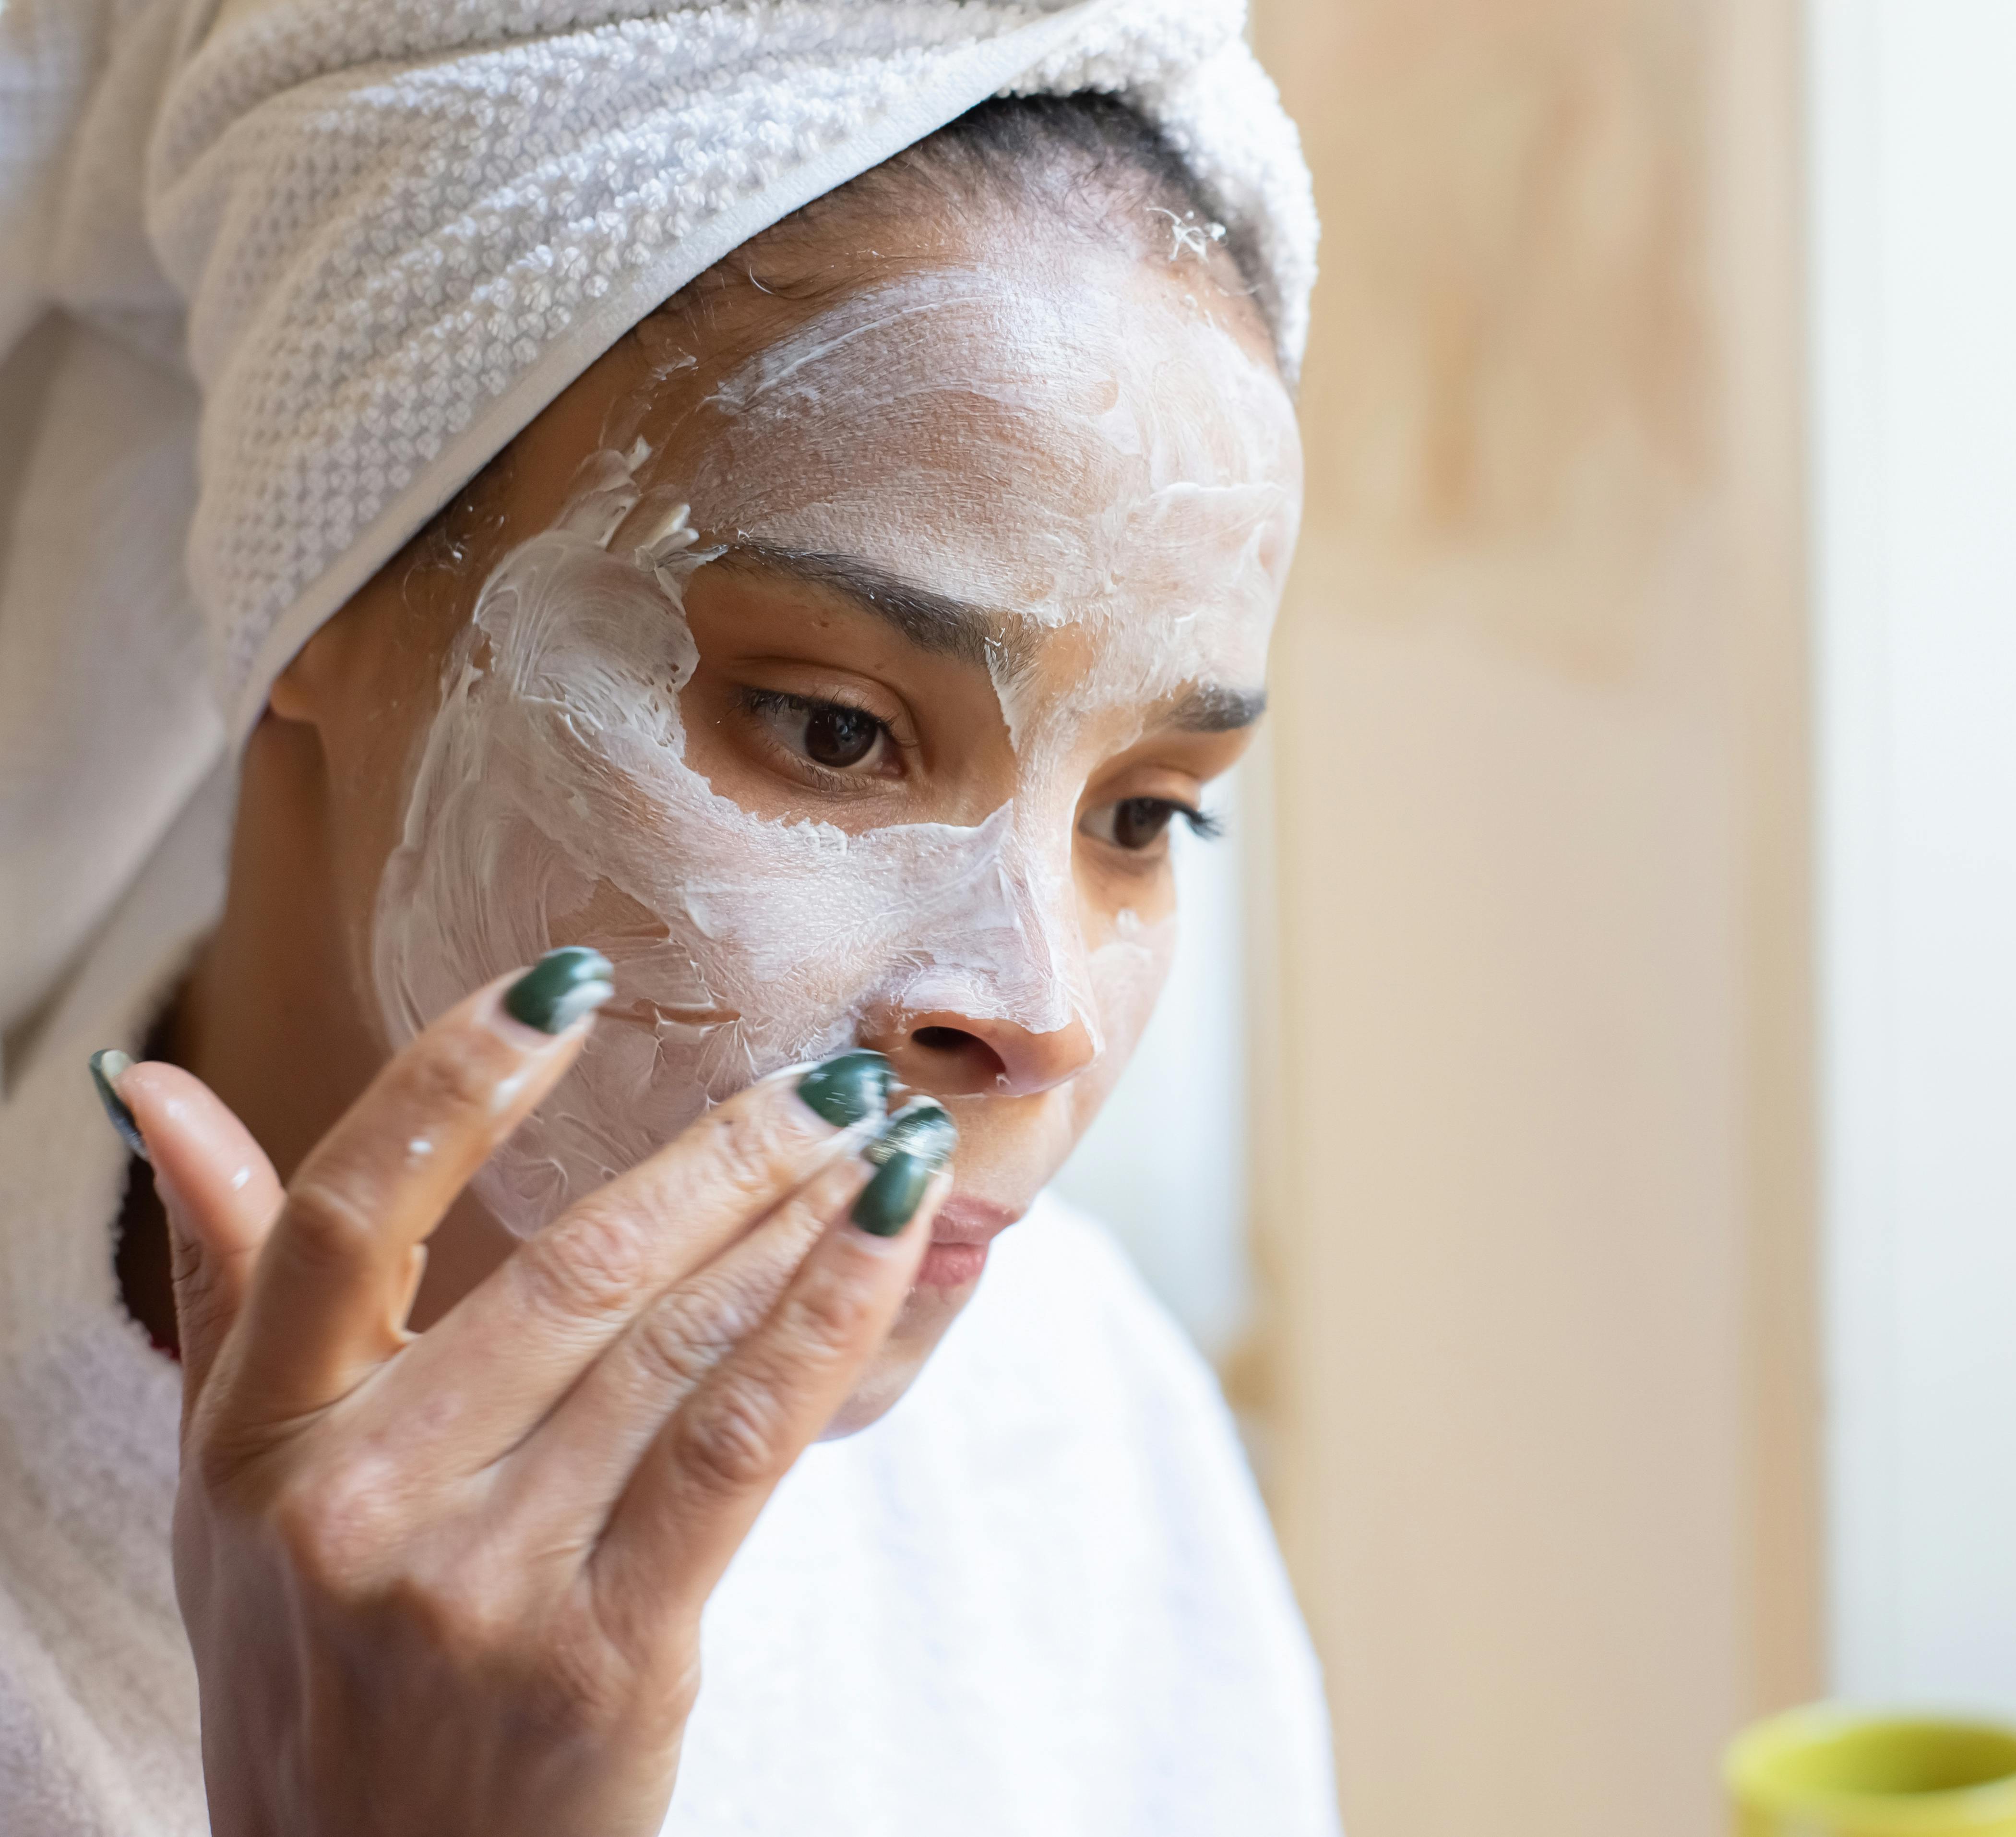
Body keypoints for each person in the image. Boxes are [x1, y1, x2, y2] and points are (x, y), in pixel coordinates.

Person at [0, 0, 1335, 1831]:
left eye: (1146, 814)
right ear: (322, 573)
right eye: (836, 729)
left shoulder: (1078, 1432)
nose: (1047, 1015)